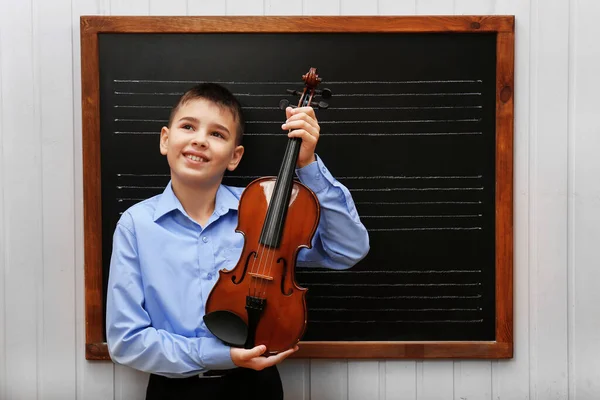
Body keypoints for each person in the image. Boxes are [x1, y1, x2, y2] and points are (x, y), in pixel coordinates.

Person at [106, 82, 369, 400]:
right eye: (188, 126)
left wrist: (307, 166)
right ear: (165, 139)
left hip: (256, 386)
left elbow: (347, 250)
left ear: (235, 156)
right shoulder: (137, 225)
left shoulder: (264, 209)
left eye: (217, 134)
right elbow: (125, 341)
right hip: (172, 390)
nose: (200, 140)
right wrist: (222, 355)